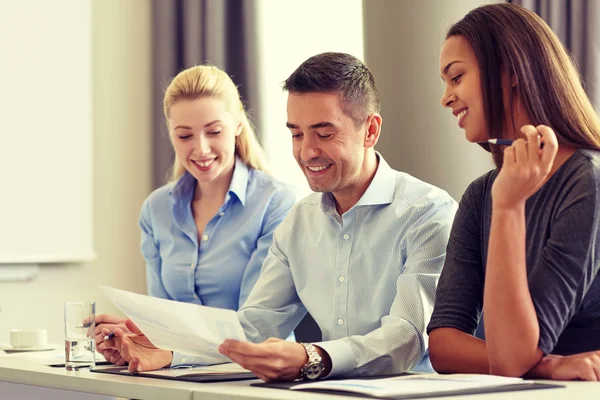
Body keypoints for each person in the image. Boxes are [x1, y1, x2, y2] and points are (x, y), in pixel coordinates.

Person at [99, 52, 458, 381]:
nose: (306, 152)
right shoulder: (299, 223)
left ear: (371, 130)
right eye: (296, 134)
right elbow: (252, 327)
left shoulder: (428, 213)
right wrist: (166, 350)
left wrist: (313, 357)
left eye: (323, 133)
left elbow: (408, 336)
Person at [428, 3, 600, 381]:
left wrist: (508, 206)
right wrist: (547, 364)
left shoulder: (587, 182)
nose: (445, 98)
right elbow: (442, 344)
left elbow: (509, 362)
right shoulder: (480, 195)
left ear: (510, 72)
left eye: (455, 78)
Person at [94, 65, 297, 365]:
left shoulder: (276, 202)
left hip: (254, 378)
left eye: (214, 132)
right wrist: (135, 335)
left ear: (238, 125)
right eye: (185, 135)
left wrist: (170, 354)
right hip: (181, 376)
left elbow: (255, 330)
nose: (201, 149)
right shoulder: (156, 209)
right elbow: (164, 320)